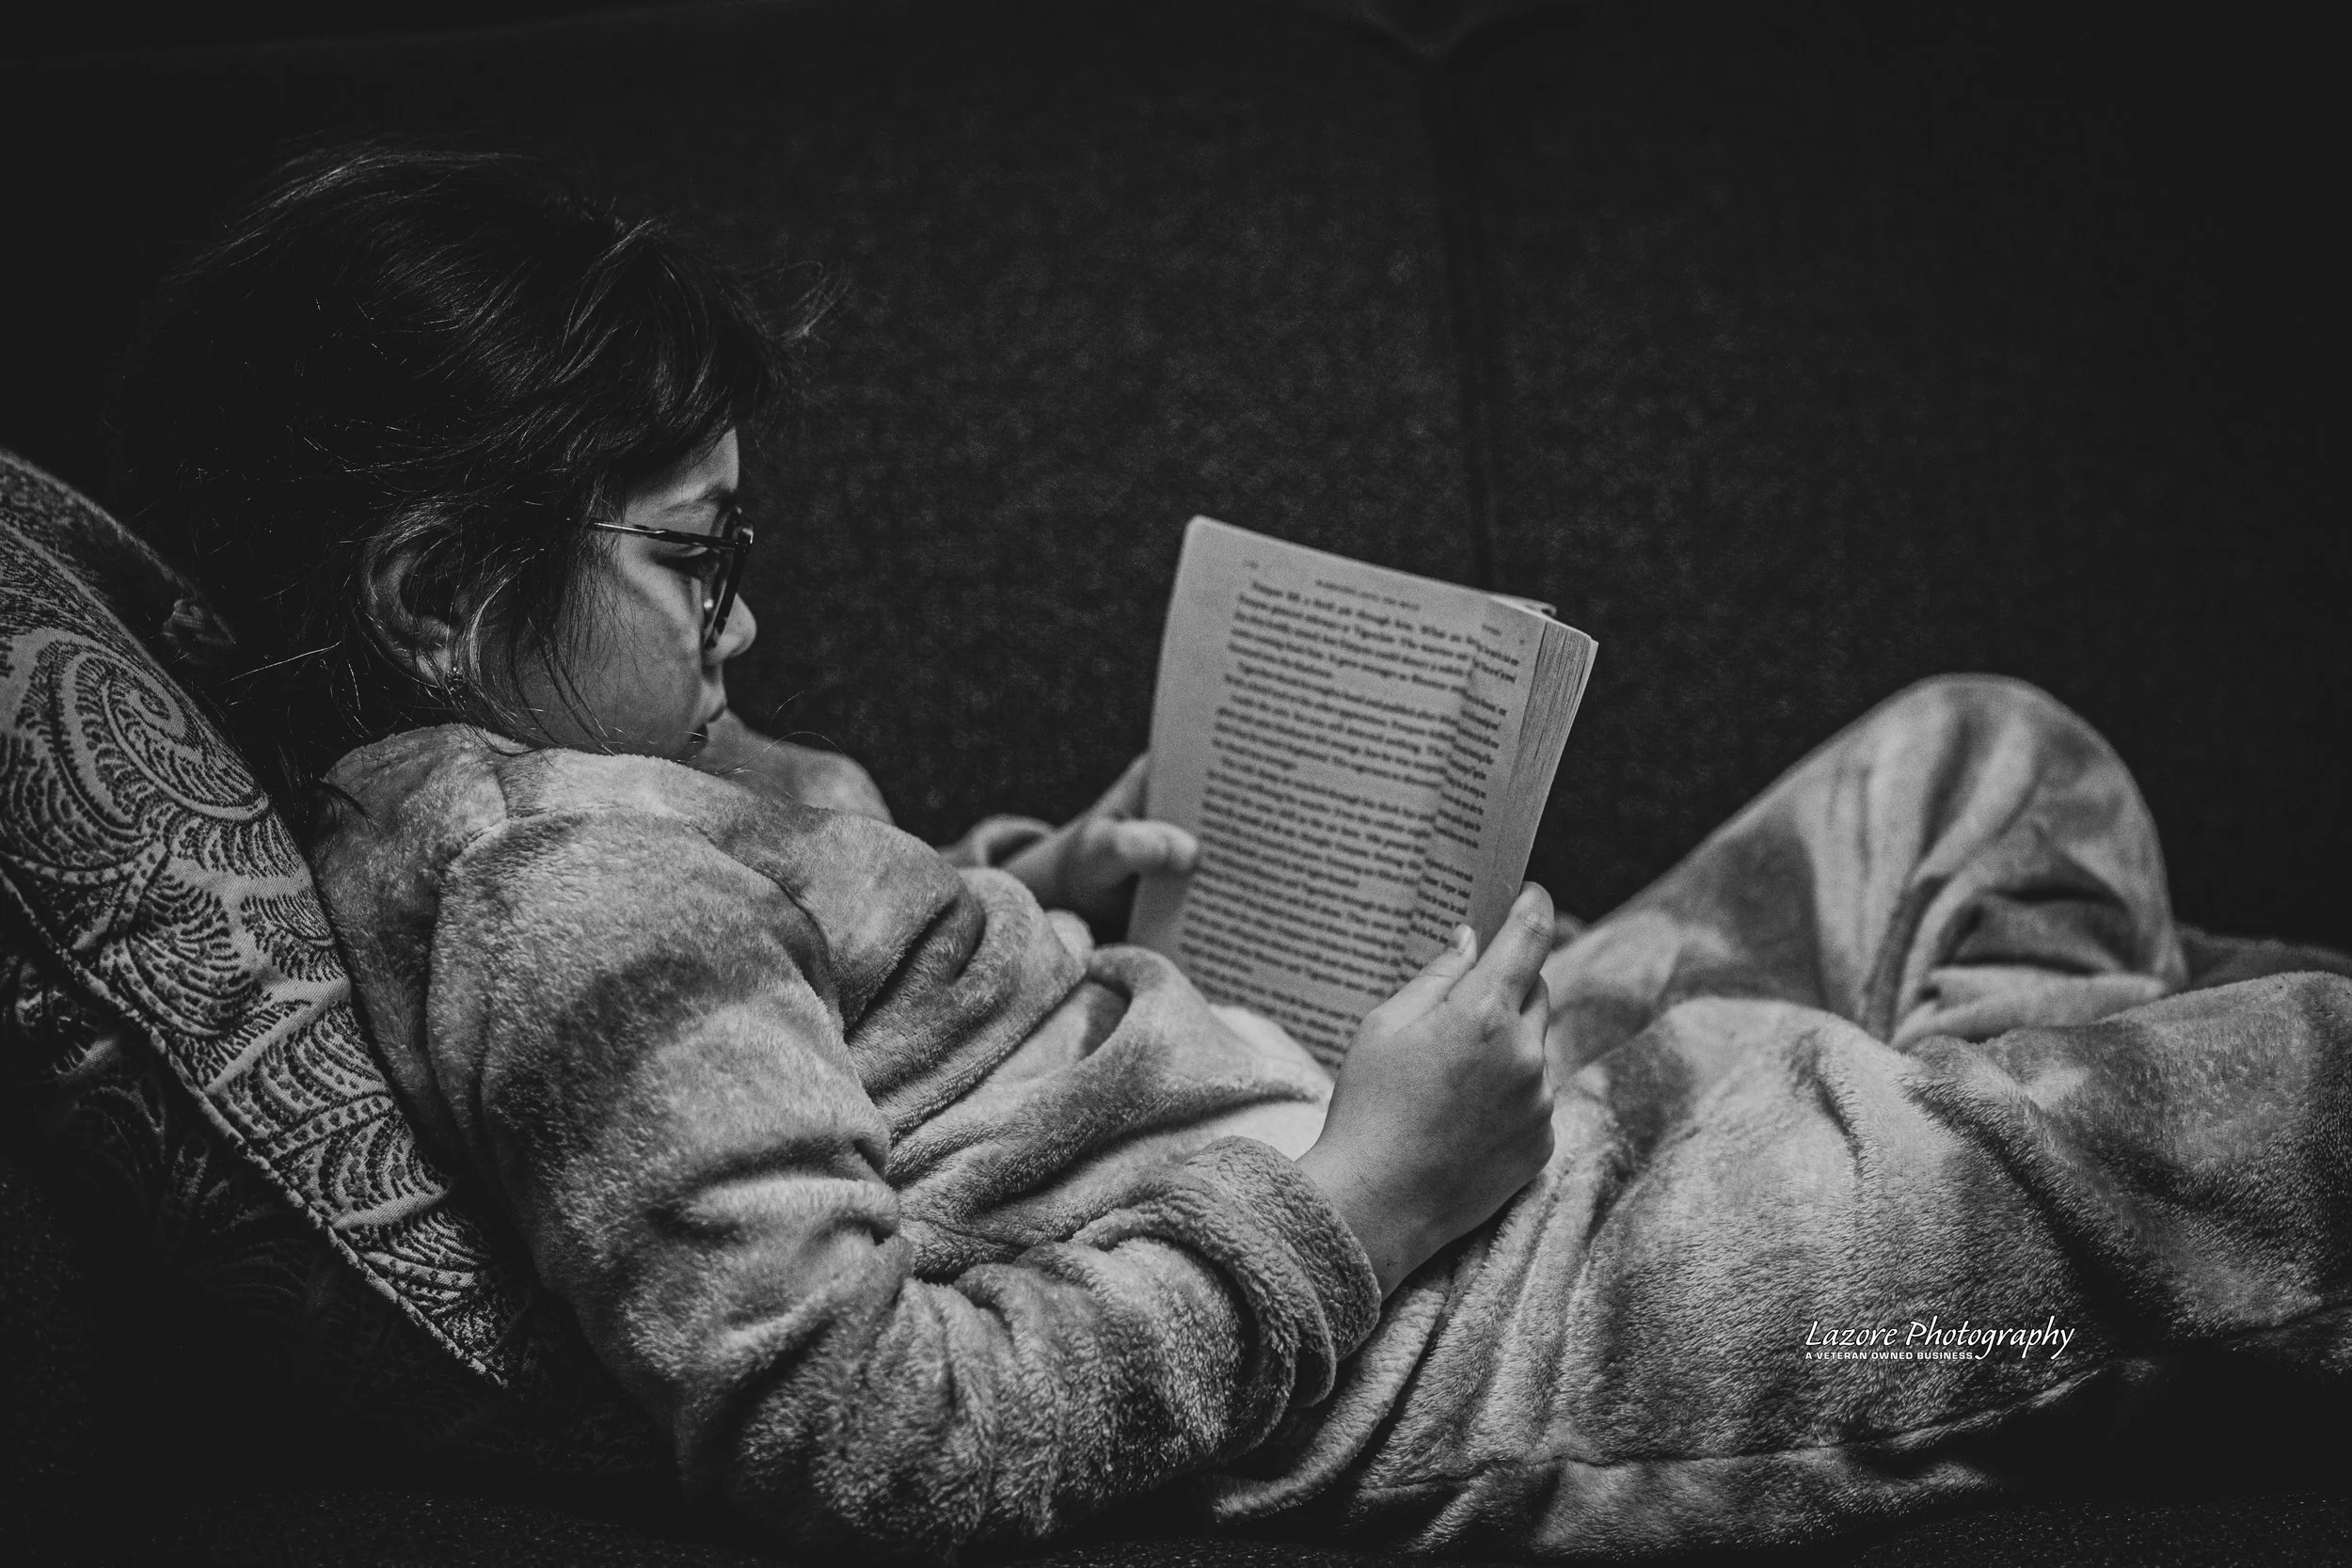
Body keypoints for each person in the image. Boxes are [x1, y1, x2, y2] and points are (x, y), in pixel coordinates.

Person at [113, 143, 2352, 1560]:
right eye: (696, 559)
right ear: (432, 594)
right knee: (2304, 1080)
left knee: (1981, 751)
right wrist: (1372, 1188)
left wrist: (1030, 893)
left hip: (1427, 1135)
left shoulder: (593, 817)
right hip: (1515, 1311)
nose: (749, 617)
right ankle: (2059, 1213)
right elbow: (868, 1441)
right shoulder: (567, 899)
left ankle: (2047, 1180)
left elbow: (829, 1032)